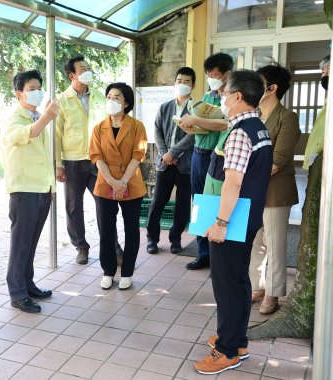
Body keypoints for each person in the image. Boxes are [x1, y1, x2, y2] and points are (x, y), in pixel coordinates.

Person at [193, 70, 272, 375]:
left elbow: (233, 183)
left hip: (233, 219)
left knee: (226, 285)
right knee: (239, 280)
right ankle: (237, 340)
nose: (222, 98)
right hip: (249, 216)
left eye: (226, 93)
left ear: (238, 96)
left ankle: (226, 351)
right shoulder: (258, 127)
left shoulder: (240, 132)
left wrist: (220, 223)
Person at [55, 55, 123, 265]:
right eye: (82, 68)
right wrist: (58, 164)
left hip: (97, 160)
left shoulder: (100, 97)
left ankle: (113, 245)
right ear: (72, 75)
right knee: (74, 207)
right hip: (72, 160)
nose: (87, 71)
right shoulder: (61, 100)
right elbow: (56, 134)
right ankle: (81, 247)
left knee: (105, 203)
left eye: (88, 67)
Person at [2, 70, 58, 313]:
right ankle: (17, 292)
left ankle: (27, 283)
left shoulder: (35, 116)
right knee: (21, 243)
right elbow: (25, 136)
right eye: (32, 88)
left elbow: (44, 155)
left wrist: (51, 186)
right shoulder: (14, 117)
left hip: (41, 187)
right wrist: (45, 118)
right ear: (19, 93)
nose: (37, 92)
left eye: (39, 88)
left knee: (32, 241)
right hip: (23, 188)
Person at [249, 64, 301, 314]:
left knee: (275, 243)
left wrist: (245, 174)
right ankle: (256, 286)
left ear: (272, 88)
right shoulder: (254, 116)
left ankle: (274, 292)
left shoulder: (287, 118)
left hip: (276, 192)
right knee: (256, 241)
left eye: (259, 82)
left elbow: (278, 160)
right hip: (254, 191)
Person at [89, 82, 148, 291]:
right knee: (106, 230)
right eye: (109, 97)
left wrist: (123, 181)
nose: (111, 101)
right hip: (105, 183)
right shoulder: (98, 128)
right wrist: (113, 182)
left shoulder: (137, 126)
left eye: (117, 98)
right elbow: (97, 157)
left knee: (131, 229)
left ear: (126, 103)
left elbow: (137, 155)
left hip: (130, 181)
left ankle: (128, 272)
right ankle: (108, 271)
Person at [179, 53, 233, 270]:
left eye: (215, 75)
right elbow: (204, 125)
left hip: (216, 157)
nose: (212, 79)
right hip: (198, 155)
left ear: (226, 75)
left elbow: (224, 124)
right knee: (199, 205)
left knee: (215, 206)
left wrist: (198, 120)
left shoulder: (230, 99)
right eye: (209, 75)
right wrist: (188, 125)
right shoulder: (207, 96)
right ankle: (203, 254)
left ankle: (218, 257)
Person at [147, 67, 196, 255]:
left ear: (193, 85)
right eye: (179, 80)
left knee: (183, 204)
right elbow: (157, 130)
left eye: (186, 81)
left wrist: (174, 153)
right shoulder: (165, 107)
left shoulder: (196, 108)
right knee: (157, 201)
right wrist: (165, 153)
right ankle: (152, 239)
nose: (182, 84)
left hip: (185, 164)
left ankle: (176, 239)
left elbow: (193, 136)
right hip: (165, 163)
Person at [303, 55, 330, 170]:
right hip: (318, 162)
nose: (323, 76)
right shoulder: (329, 102)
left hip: (325, 162)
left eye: (324, 72)